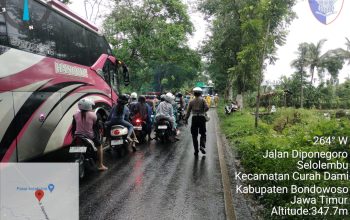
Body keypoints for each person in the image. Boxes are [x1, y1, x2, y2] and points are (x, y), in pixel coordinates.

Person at [72, 98, 108, 170]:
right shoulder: (93, 115)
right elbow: (97, 125)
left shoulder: (75, 115)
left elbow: (74, 126)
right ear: (88, 106)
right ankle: (100, 165)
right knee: (100, 146)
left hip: (77, 135)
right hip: (89, 136)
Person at [185, 87, 209, 156]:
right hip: (201, 118)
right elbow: (207, 107)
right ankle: (202, 145)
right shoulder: (203, 100)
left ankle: (196, 151)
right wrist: (203, 111)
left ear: (194, 93)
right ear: (200, 93)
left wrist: (186, 119)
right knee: (203, 133)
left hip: (194, 118)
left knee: (194, 135)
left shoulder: (191, 101)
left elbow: (188, 112)